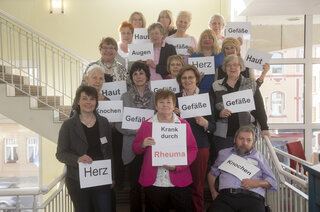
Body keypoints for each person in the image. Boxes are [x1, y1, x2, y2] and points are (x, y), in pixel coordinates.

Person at [132, 89, 198, 212]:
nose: (165, 105)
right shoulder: (146, 125)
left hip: (179, 178)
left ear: (174, 106)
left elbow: (193, 149)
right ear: (156, 106)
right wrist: (142, 144)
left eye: (169, 102)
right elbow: (135, 149)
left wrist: (177, 166)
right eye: (161, 102)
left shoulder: (183, 125)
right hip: (154, 180)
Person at [56, 85, 113, 212]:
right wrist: (77, 159)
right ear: (78, 101)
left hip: (101, 177)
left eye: (92, 99)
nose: (88, 102)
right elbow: (60, 153)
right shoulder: (68, 125)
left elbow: (109, 151)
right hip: (77, 179)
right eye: (84, 98)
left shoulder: (104, 122)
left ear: (96, 102)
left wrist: (112, 175)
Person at [210, 54, 270, 163]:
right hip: (224, 135)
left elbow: (259, 107)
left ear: (241, 67)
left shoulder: (251, 83)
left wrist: (265, 127)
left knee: (245, 165)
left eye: (235, 65)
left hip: (246, 134)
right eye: (229, 65)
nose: (232, 68)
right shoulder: (216, 85)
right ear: (225, 68)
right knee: (225, 165)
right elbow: (210, 109)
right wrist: (219, 113)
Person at [115, 61, 155, 212]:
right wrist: (136, 131)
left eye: (141, 73)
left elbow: (160, 119)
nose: (138, 77)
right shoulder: (124, 97)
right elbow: (119, 125)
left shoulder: (155, 96)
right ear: (131, 77)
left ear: (147, 76)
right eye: (135, 74)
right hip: (131, 147)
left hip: (151, 146)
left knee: (151, 186)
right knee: (135, 187)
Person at [207, 126, 277, 212]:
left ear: (253, 142)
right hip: (225, 198)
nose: (245, 143)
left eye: (248, 140)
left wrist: (256, 183)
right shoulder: (224, 154)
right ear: (235, 139)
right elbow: (212, 174)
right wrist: (213, 192)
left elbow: (272, 182)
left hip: (252, 198)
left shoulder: (259, 157)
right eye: (241, 139)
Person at [175, 65, 216, 212]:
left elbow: (213, 126)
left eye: (191, 77)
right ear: (180, 80)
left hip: (200, 146)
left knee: (197, 185)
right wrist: (171, 115)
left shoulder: (206, 98)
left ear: (197, 79)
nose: (187, 81)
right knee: (180, 184)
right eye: (184, 78)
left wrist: (205, 123)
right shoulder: (174, 99)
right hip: (178, 147)